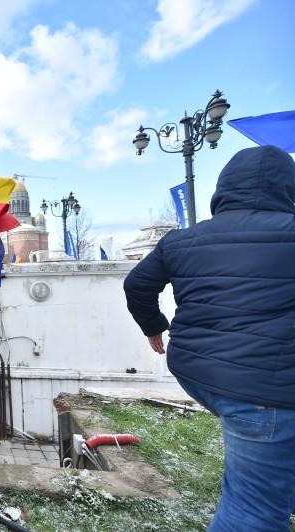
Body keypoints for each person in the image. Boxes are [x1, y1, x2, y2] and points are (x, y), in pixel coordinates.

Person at [123, 145, 295, 531]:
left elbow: (137, 284)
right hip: (264, 390)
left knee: (269, 471)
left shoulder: (182, 240)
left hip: (202, 372)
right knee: (253, 512)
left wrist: (154, 326)